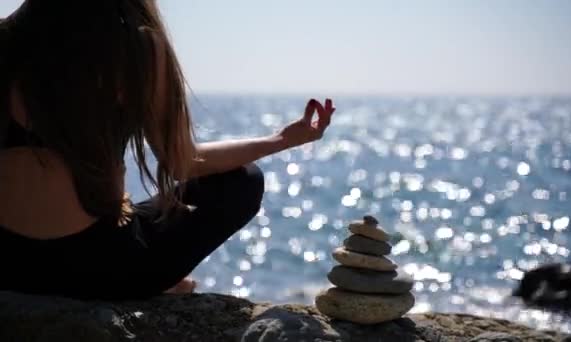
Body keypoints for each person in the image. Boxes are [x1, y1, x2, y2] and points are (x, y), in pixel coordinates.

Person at [0, 0, 335, 300]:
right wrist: (280, 140)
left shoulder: (8, 38)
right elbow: (184, 163)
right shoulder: (137, 47)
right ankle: (157, 281)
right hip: (100, 273)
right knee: (243, 181)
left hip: (10, 267)